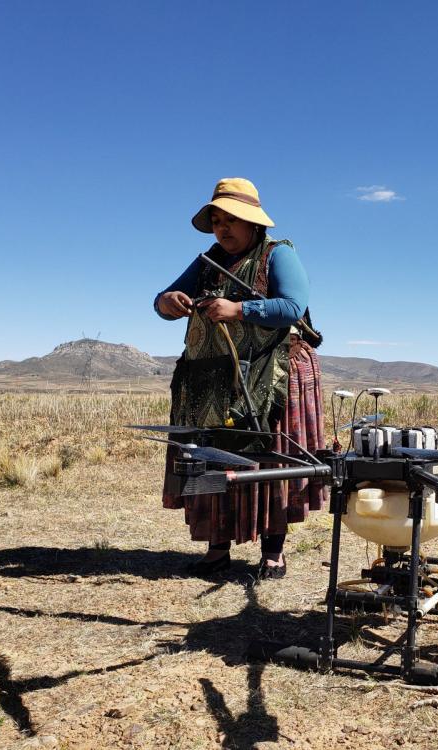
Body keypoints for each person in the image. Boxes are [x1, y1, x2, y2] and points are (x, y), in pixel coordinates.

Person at [154, 177, 327, 580]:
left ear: (253, 223)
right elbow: (162, 302)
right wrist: (167, 301)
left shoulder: (276, 255)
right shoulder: (206, 261)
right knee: (211, 456)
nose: (223, 228)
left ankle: (273, 551)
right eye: (217, 220)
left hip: (272, 372)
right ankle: (217, 547)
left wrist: (239, 310)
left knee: (267, 458)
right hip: (212, 379)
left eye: (231, 220)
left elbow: (291, 306)